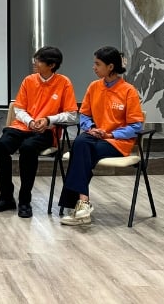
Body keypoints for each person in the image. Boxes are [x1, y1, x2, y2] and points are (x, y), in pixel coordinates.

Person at [0, 46, 77, 218]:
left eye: (38, 61)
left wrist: (49, 120)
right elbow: (19, 109)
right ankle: (6, 197)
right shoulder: (29, 80)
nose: (35, 63)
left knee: (28, 149)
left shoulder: (64, 83)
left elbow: (72, 115)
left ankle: (24, 200)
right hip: (22, 126)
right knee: (0, 147)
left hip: (46, 131)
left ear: (51, 65)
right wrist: (30, 121)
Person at [58, 46, 144, 226]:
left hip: (118, 142)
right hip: (95, 137)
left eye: (97, 64)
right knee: (83, 143)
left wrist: (110, 133)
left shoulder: (128, 91)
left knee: (80, 147)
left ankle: (78, 204)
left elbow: (136, 126)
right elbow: (85, 114)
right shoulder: (93, 87)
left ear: (110, 67)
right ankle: (83, 203)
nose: (93, 67)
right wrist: (90, 127)